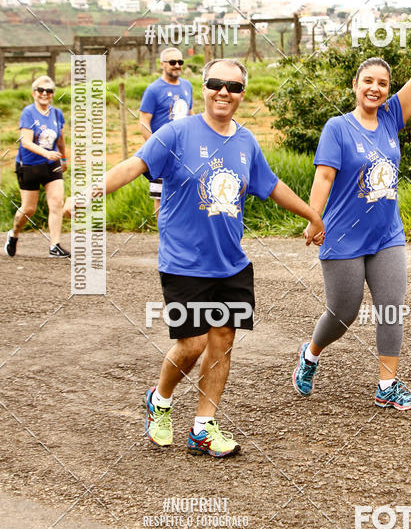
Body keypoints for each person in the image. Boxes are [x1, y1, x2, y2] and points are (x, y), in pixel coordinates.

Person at [67, 58, 324, 458]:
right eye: (216, 83)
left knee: (222, 342)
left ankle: (203, 428)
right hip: (183, 262)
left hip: (231, 263)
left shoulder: (246, 142)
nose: (224, 92)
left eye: (234, 87)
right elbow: (134, 165)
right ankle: (160, 401)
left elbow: (272, 186)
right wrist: (90, 192)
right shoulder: (176, 133)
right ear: (202, 88)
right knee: (192, 343)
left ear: (242, 94)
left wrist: (312, 215)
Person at [293, 8, 411, 410]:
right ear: (355, 85)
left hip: (386, 233)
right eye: (368, 82)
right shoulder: (337, 128)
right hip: (343, 235)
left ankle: (387, 386)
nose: (375, 89)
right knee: (342, 314)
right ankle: (311, 354)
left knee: (391, 308)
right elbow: (324, 177)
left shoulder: (392, 116)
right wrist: (313, 218)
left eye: (382, 83)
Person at [5, 75, 70, 258]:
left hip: (51, 164)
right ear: (34, 93)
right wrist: (45, 153)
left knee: (56, 202)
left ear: (53, 94)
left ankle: (54, 245)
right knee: (29, 209)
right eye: (40, 90)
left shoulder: (56, 114)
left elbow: (60, 139)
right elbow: (25, 142)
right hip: (29, 166)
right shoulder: (28, 113)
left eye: (49, 91)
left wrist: (64, 158)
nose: (44, 94)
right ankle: (13, 234)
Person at [139, 47, 193, 213]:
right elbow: (143, 122)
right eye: (172, 62)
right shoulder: (154, 89)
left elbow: (190, 114)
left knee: (185, 192)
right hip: (163, 151)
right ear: (162, 64)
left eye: (180, 62)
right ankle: (162, 229)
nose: (177, 65)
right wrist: (156, 147)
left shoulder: (187, 86)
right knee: (160, 196)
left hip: (184, 150)